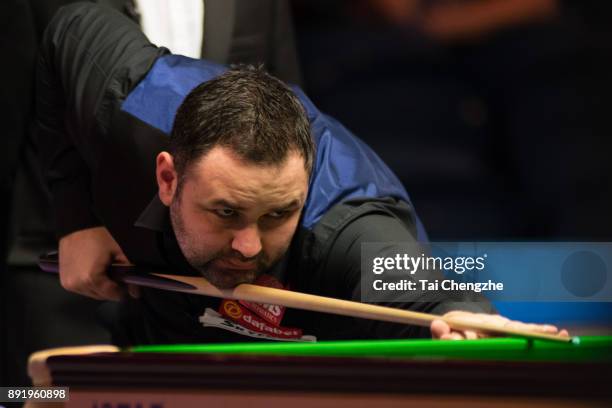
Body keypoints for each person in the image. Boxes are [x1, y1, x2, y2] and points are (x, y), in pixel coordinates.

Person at [36, 2, 567, 344]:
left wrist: (466, 316)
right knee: (28, 393)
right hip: (156, 320)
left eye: (276, 214)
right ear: (169, 177)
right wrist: (76, 216)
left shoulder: (346, 228)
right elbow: (66, 28)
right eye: (227, 211)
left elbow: (428, 295)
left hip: (290, 354)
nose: (248, 244)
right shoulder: (129, 100)